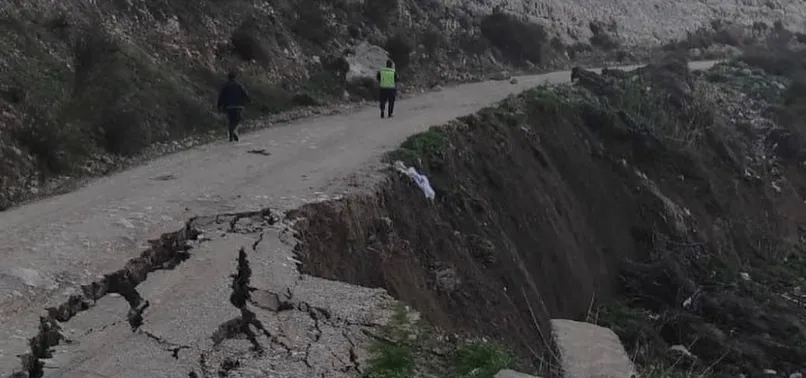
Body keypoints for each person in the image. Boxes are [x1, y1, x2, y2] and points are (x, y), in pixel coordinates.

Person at [217, 71, 250, 142]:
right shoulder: (239, 85)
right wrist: (248, 101)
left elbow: (221, 97)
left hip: (228, 106)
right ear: (235, 77)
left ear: (228, 78)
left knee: (230, 120)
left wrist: (219, 106)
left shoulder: (225, 86)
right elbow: (245, 94)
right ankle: (234, 131)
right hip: (238, 105)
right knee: (237, 120)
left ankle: (231, 136)